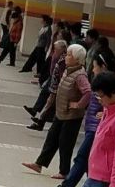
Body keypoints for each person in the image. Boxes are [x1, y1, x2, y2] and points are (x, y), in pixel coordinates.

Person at [42, 55, 109, 187]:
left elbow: (109, 102)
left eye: (95, 66)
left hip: (96, 129)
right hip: (92, 127)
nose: (93, 69)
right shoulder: (99, 81)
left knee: (81, 159)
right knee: (87, 163)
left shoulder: (106, 84)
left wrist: (104, 111)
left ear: (103, 66)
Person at [22, 44, 91, 178]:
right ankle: (39, 164)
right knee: (51, 138)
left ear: (77, 59)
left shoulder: (80, 75)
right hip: (61, 112)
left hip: (72, 116)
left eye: (69, 55)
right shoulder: (68, 70)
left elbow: (88, 92)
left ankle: (64, 171)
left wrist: (78, 105)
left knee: (65, 143)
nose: (66, 57)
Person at [26, 40, 67, 129]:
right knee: (49, 102)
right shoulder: (58, 57)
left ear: (62, 49)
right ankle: (41, 120)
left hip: (57, 86)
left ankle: (42, 121)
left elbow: (61, 74)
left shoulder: (64, 60)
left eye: (56, 49)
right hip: (54, 83)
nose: (55, 51)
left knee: (51, 104)